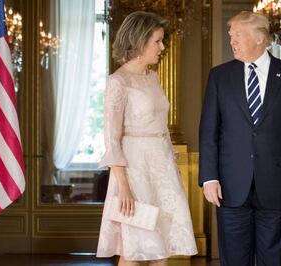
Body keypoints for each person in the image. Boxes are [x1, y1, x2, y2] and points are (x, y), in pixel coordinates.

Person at [199, 11, 281, 266]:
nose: (232, 42)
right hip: (229, 187)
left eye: (237, 35)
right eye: (230, 36)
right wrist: (209, 177)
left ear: (260, 38)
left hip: (278, 184)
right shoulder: (219, 76)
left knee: (274, 259)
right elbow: (209, 132)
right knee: (234, 260)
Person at [96, 11, 197, 266]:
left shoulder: (152, 78)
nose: (162, 47)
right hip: (134, 172)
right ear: (139, 41)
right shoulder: (118, 81)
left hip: (161, 169)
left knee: (160, 249)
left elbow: (159, 126)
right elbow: (111, 140)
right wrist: (124, 189)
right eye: (158, 41)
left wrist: (168, 157)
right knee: (134, 248)